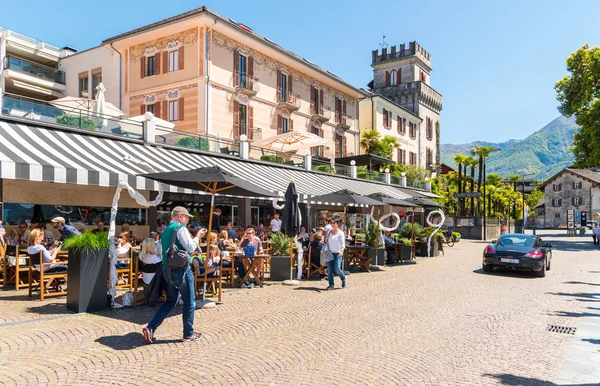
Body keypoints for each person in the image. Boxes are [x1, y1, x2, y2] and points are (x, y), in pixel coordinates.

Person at [142, 206, 202, 344]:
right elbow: (191, 248)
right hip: (181, 269)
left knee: (170, 301)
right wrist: (198, 237)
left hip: (166, 269)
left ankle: (150, 327)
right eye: (186, 218)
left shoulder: (165, 231)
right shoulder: (180, 228)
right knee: (189, 301)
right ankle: (188, 334)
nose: (187, 221)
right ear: (180, 216)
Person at [325, 220, 346, 290]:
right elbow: (326, 241)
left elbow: (342, 243)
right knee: (330, 269)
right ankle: (331, 285)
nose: (332, 224)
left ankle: (343, 278)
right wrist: (326, 238)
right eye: (331, 223)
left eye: (334, 223)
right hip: (330, 253)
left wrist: (342, 251)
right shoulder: (329, 232)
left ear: (337, 224)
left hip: (337, 253)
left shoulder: (341, 233)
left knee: (336, 269)